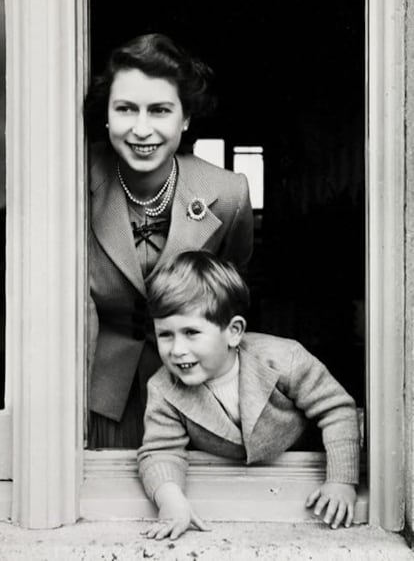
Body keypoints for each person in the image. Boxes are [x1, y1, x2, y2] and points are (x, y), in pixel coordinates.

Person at [84, 34, 254, 448]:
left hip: (195, 394)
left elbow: (229, 293)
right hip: (100, 394)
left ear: (185, 118)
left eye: (160, 110)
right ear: (106, 115)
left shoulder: (229, 194)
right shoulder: (75, 179)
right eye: (126, 109)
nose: (142, 129)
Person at [137, 250, 360, 540]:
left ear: (233, 332)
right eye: (165, 334)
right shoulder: (163, 388)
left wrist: (341, 482)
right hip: (231, 490)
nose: (177, 349)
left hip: (300, 478)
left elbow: (337, 410)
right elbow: (160, 451)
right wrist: (171, 501)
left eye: (191, 332)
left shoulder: (284, 359)